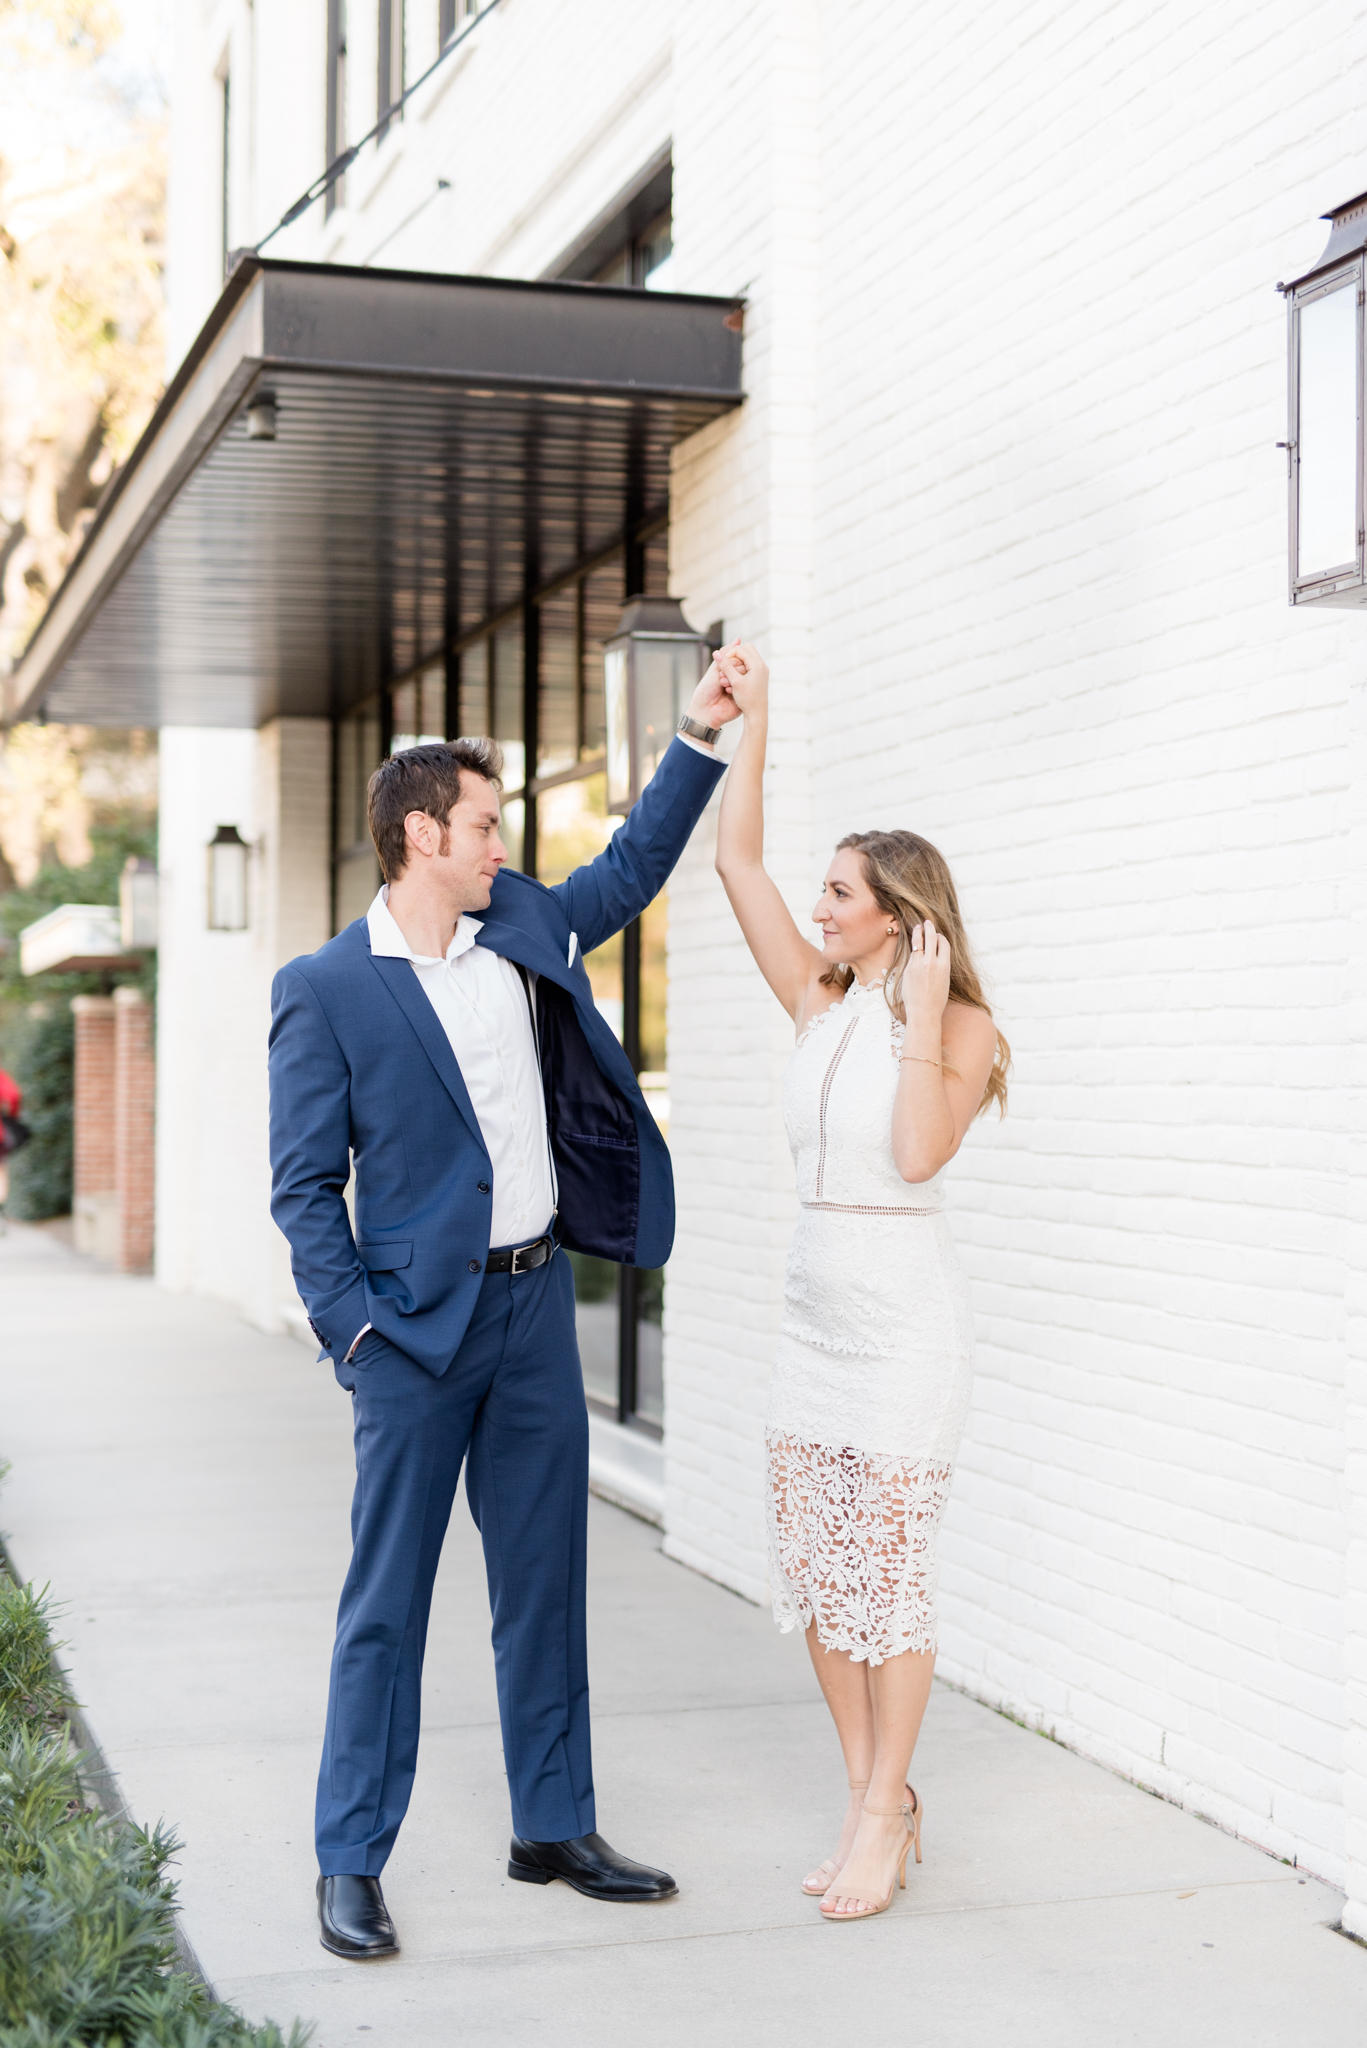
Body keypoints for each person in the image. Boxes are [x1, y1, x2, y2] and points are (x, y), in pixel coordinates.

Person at [268, 676, 735, 1959]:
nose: (500, 847)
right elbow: (304, 1186)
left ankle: (553, 1821)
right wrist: (354, 1332)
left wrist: (696, 732)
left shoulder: (520, 922)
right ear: (423, 834)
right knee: (387, 1605)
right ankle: (349, 1858)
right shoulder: (324, 989)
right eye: (483, 825)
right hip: (413, 1340)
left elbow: (630, 867)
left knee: (545, 1585)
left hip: (533, 1315)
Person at [711, 640, 1009, 1923]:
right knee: (820, 1568)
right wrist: (752, 719)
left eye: (839, 893)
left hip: (902, 1333)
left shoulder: (957, 1030)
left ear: (897, 907)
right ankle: (864, 1790)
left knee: (885, 1570)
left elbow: (909, 1151)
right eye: (821, 890)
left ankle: (888, 1806)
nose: (818, 908)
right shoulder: (815, 998)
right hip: (809, 1319)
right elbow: (733, 862)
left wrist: (924, 1014)